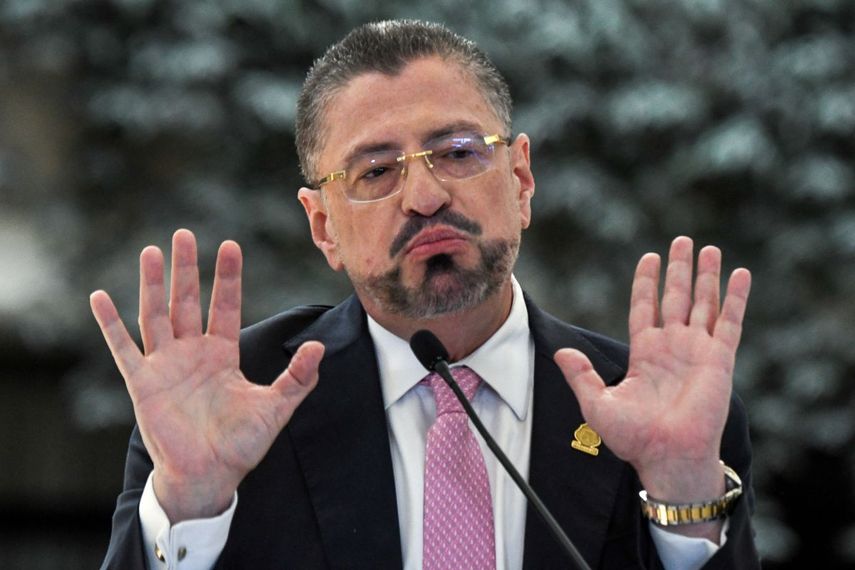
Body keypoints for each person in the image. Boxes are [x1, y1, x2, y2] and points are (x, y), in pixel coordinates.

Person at [92, 20, 760, 570]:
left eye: (459, 152)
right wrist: (191, 505)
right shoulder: (230, 403)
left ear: (521, 179)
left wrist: (682, 501)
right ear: (323, 226)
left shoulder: (646, 408)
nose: (425, 196)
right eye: (375, 171)